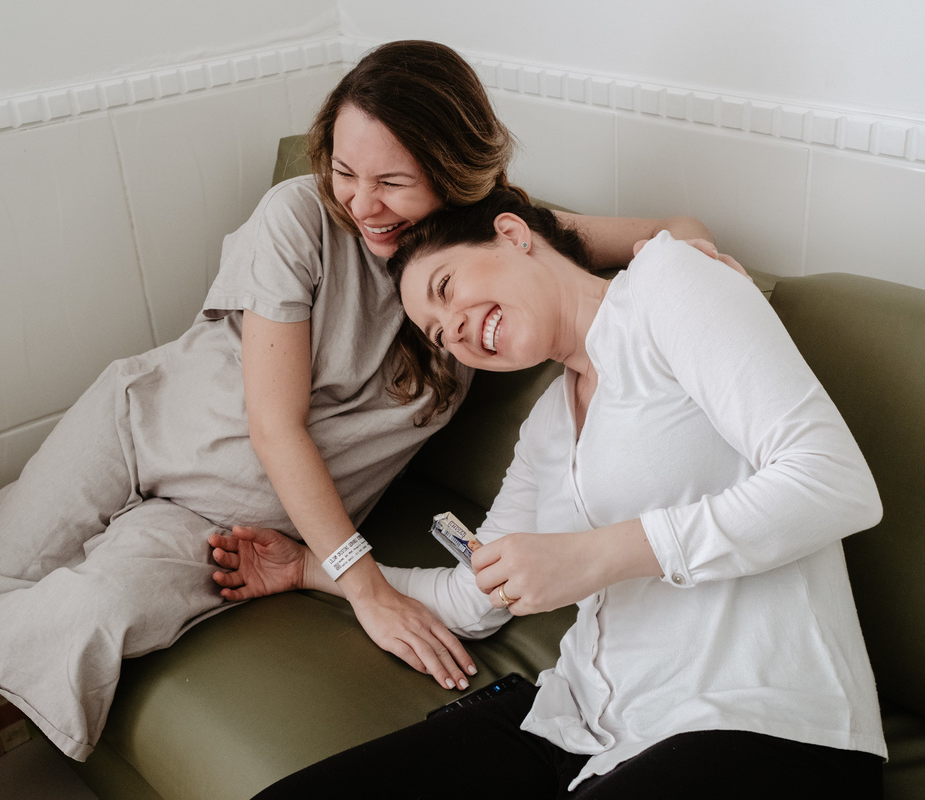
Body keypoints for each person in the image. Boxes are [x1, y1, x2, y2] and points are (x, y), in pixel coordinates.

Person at [0, 40, 720, 778]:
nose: (361, 203)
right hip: (136, 425)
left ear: (458, 178)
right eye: (346, 173)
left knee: (80, 616)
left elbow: (677, 232)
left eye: (393, 181)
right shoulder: (299, 219)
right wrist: (368, 590)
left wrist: (700, 285)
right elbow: (274, 425)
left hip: (223, 521)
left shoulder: (500, 241)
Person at [221, 188, 887, 798]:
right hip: (580, 723)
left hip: (762, 725)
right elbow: (475, 598)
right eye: (437, 333)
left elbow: (836, 481)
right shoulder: (547, 425)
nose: (453, 330)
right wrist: (310, 568)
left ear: (514, 234)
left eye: (446, 287)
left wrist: (595, 557)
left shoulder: (669, 283)